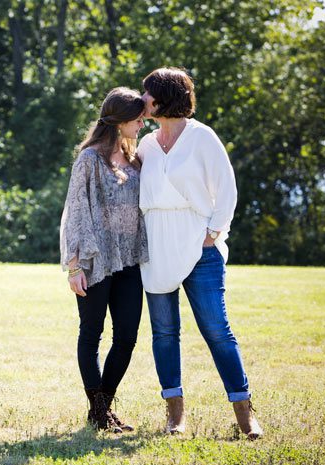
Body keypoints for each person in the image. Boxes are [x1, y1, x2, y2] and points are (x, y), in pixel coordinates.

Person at [137, 67, 263, 439]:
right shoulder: (145, 144)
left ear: (162, 97)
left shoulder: (202, 137)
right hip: (156, 248)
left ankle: (244, 412)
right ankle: (175, 415)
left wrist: (213, 234)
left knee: (216, 330)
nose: (141, 99)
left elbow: (227, 190)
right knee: (164, 333)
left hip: (199, 247)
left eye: (147, 93)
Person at [60, 87, 148, 433]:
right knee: (91, 334)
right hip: (96, 259)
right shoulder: (89, 159)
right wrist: (74, 266)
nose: (143, 122)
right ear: (120, 119)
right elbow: (75, 212)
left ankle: (101, 409)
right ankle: (99, 413)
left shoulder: (136, 158)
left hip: (129, 260)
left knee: (126, 336)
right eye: (138, 117)